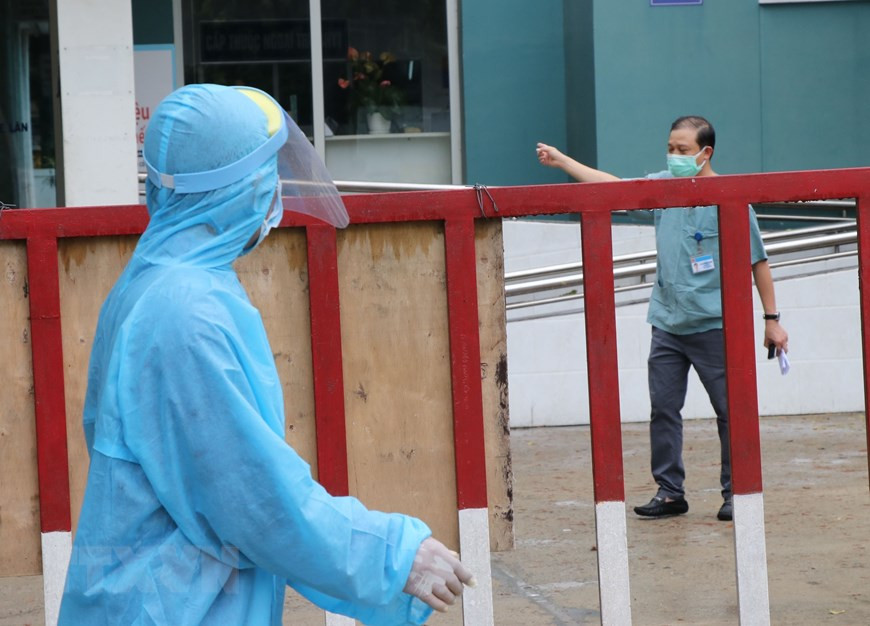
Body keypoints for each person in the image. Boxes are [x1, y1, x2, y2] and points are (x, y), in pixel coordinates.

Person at [59, 84, 474, 625]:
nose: (274, 191)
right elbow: (254, 498)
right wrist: (395, 556)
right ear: (235, 191)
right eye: (265, 176)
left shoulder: (160, 283)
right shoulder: (184, 315)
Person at [536, 116, 788, 522]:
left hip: (714, 326)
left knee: (730, 412)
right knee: (664, 410)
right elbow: (613, 187)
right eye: (671, 148)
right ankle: (670, 492)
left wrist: (771, 319)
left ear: (706, 153)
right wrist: (564, 161)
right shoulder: (664, 188)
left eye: (683, 150)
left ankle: (736, 492)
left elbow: (758, 263)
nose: (674, 156)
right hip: (668, 324)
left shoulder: (731, 199)